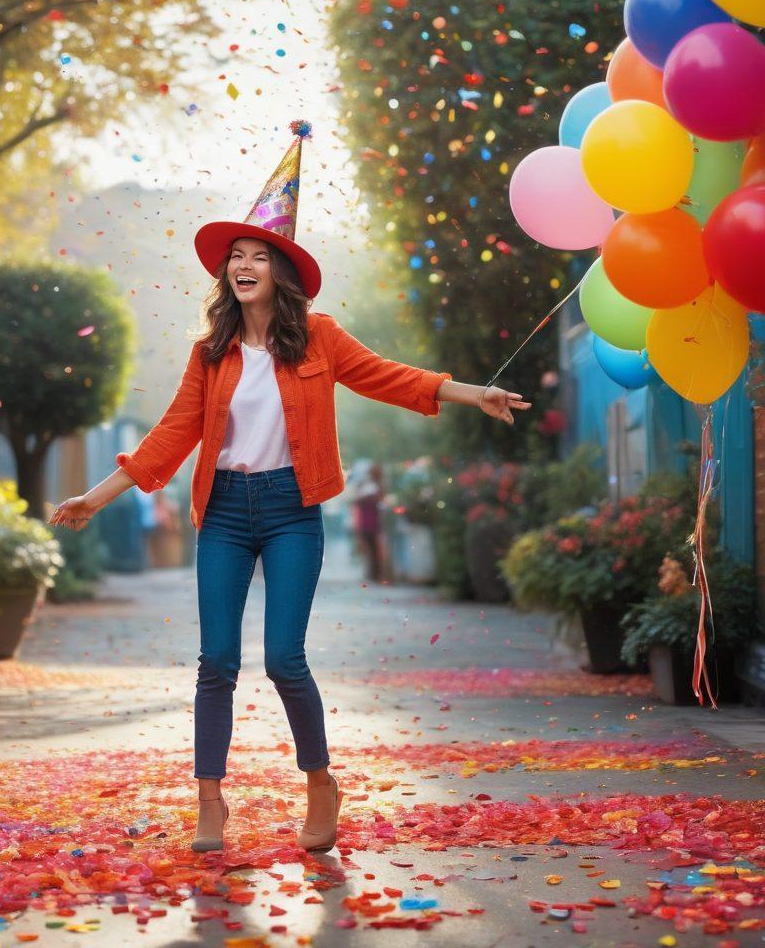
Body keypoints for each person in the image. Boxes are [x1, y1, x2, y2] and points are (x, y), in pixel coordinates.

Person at [49, 121, 531, 855]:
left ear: (281, 272)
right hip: (225, 515)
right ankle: (210, 801)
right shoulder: (208, 354)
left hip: (290, 512)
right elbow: (169, 439)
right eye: (235, 257)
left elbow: (391, 378)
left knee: (283, 659)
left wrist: (473, 393)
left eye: (258, 256)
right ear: (227, 275)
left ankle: (319, 781)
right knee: (217, 661)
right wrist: (96, 495)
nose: (244, 265)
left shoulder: (321, 339)